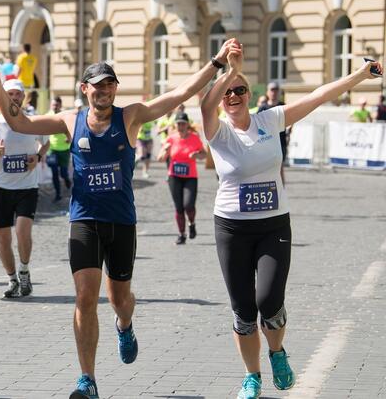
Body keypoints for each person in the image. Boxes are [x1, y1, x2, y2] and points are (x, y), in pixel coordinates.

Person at [0, 39, 241, 399]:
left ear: (115, 89)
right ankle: (87, 379)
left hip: (121, 222)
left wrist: (216, 63)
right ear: (84, 88)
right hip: (84, 220)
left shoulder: (130, 115)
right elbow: (18, 122)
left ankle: (125, 324)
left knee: (120, 298)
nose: (104, 91)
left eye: (110, 84)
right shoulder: (69, 121)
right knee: (85, 297)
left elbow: (180, 93)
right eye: (98, 85)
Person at [200, 49, 382, 399]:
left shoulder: (269, 121)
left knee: (269, 301)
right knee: (243, 310)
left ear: (249, 95)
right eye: (227, 93)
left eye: (239, 91)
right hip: (231, 229)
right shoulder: (217, 131)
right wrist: (229, 70)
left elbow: (318, 96)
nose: (233, 97)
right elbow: (205, 105)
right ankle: (252, 377)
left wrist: (360, 76)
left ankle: (277, 351)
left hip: (273, 226)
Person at [0, 79, 48, 298]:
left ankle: (24, 270)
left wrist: (37, 157)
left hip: (28, 186)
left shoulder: (32, 121)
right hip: (2, 187)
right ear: (2, 98)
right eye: (10, 94)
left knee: (22, 231)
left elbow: (45, 142)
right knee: (3, 238)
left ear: (24, 97)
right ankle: (12, 279)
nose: (14, 97)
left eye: (18, 94)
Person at [157, 112, 205, 245]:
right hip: (174, 176)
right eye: (178, 124)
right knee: (179, 207)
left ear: (187, 124)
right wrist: (165, 150)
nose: (180, 126)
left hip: (190, 176)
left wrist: (197, 155)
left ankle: (192, 223)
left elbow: (204, 154)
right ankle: (182, 234)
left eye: (183, 124)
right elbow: (160, 158)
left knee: (189, 205)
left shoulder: (194, 138)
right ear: (175, 125)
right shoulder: (171, 138)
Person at [258, 82, 290, 183]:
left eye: (276, 90)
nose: (274, 92)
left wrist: (289, 131)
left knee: (280, 168)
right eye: (272, 90)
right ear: (267, 92)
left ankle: (281, 191)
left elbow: (291, 120)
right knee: (266, 169)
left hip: (281, 142)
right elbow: (257, 126)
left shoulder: (283, 106)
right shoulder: (263, 108)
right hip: (266, 142)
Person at [46, 96, 72, 202]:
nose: (54, 107)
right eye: (53, 105)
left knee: (63, 173)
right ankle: (58, 194)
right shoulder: (47, 116)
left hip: (64, 149)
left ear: (60, 105)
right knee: (54, 172)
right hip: (52, 149)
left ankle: (67, 181)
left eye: (56, 105)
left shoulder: (65, 115)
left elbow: (70, 128)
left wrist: (69, 137)